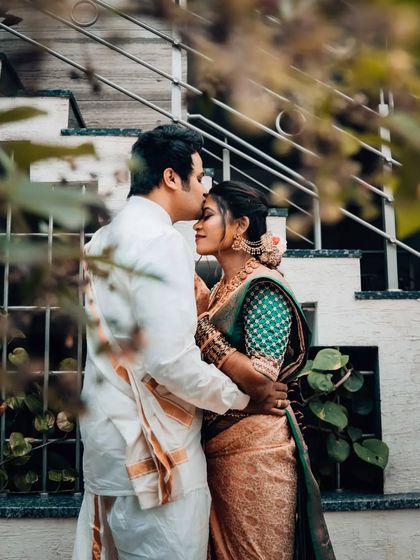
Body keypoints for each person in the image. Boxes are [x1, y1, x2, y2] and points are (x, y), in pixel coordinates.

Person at [73, 125, 289, 560]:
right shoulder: (160, 242)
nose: (204, 186)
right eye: (200, 174)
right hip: (155, 456)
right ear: (173, 178)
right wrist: (244, 398)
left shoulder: (101, 242)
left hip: (107, 448)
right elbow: (170, 360)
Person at [193, 181, 336, 560]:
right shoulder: (222, 286)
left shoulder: (262, 287)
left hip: (256, 453)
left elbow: (261, 379)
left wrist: (203, 329)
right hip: (219, 446)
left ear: (239, 226)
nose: (196, 224)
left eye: (206, 216)